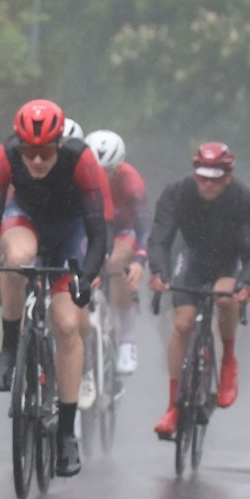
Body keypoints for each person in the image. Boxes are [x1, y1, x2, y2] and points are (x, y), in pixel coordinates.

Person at [0, 99, 111, 477]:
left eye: (45, 152)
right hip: (24, 221)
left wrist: (86, 277)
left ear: (59, 144)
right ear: (18, 146)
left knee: (67, 325)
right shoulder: (3, 156)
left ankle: (66, 433)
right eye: (28, 152)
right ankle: (9, 348)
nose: (36, 160)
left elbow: (98, 233)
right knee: (17, 258)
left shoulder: (82, 160)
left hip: (70, 235)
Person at [146, 142, 250, 436]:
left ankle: (228, 359)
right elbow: (160, 239)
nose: (208, 185)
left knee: (225, 298)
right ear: (194, 174)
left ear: (228, 178)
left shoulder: (246, 200)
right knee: (182, 324)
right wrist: (159, 273)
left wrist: (246, 284)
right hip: (193, 259)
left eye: (215, 179)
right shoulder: (177, 193)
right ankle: (172, 406)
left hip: (227, 262)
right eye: (202, 177)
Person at [84, 130, 149, 374]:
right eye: (95, 170)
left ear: (119, 166)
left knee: (116, 261)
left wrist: (140, 258)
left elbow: (144, 225)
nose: (101, 176)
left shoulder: (131, 181)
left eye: (108, 171)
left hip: (123, 230)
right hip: (94, 228)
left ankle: (127, 340)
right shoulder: (78, 176)